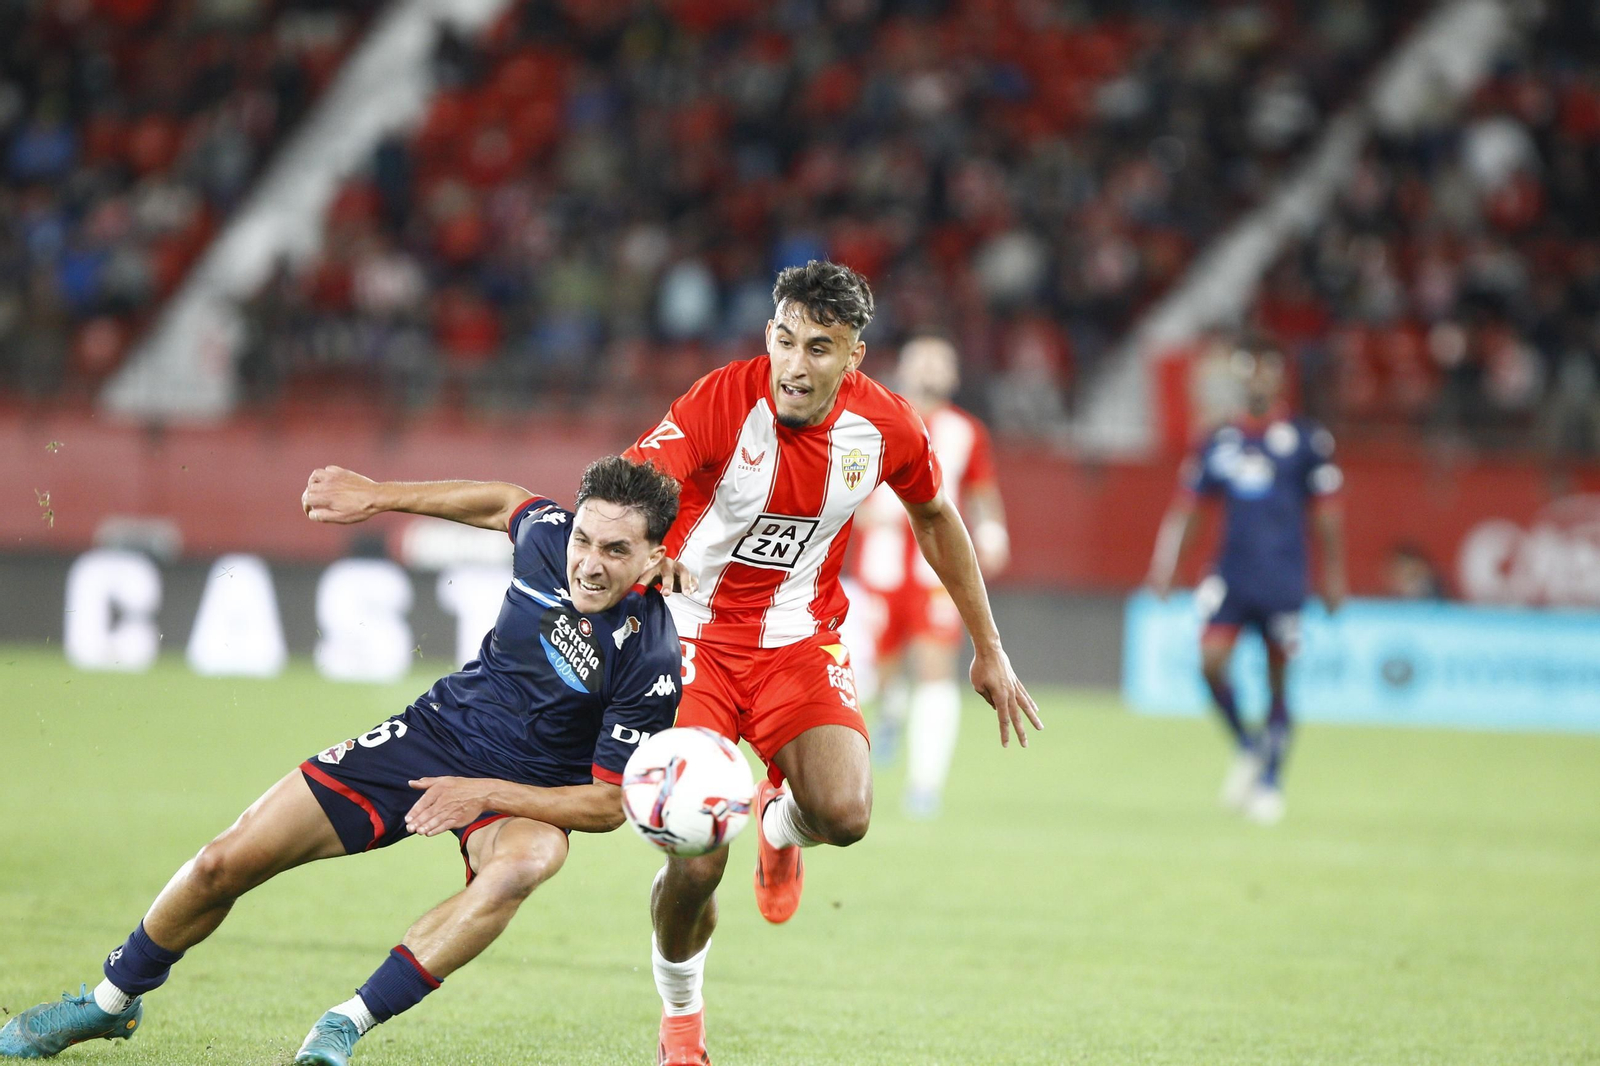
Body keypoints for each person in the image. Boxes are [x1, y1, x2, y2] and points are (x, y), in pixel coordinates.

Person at [0, 457, 683, 1065]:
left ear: (655, 560)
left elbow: (604, 805)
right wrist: (377, 495)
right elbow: (505, 501)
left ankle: (343, 1025)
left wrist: (482, 793)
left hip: (520, 791)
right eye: (584, 539)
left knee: (531, 863)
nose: (588, 562)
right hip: (434, 734)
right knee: (222, 862)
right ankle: (111, 1001)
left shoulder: (651, 659)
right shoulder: (547, 541)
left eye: (616, 550)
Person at [623, 260, 1041, 1065]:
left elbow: (937, 518)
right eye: (784, 340)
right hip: (690, 643)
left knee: (845, 815)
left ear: (854, 357)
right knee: (697, 857)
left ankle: (779, 828)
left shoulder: (886, 426)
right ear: (767, 337)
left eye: (820, 347)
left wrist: (989, 648)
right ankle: (682, 1026)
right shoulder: (722, 399)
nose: (795, 364)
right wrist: (647, 545)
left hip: (797, 642)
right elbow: (643, 477)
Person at [1147, 341, 1346, 825]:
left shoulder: (1305, 440)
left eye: (1267, 370)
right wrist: (1171, 565)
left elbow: (1326, 515)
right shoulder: (1218, 441)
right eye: (1249, 370)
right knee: (1210, 663)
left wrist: (1334, 575)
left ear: (1280, 379)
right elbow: (1191, 507)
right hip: (1231, 576)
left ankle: (1271, 781)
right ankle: (1249, 745)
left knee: (1279, 681)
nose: (1258, 379)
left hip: (1283, 578)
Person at [853, 334, 1010, 818]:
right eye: (920, 359)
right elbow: (843, 487)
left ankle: (924, 786)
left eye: (940, 361)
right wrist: (859, 516)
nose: (929, 369)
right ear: (902, 367)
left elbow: (982, 491)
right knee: (881, 676)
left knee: (936, 669)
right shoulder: (870, 422)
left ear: (954, 375)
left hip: (935, 572)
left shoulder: (967, 432)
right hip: (878, 571)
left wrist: (993, 532)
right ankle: (894, 710)